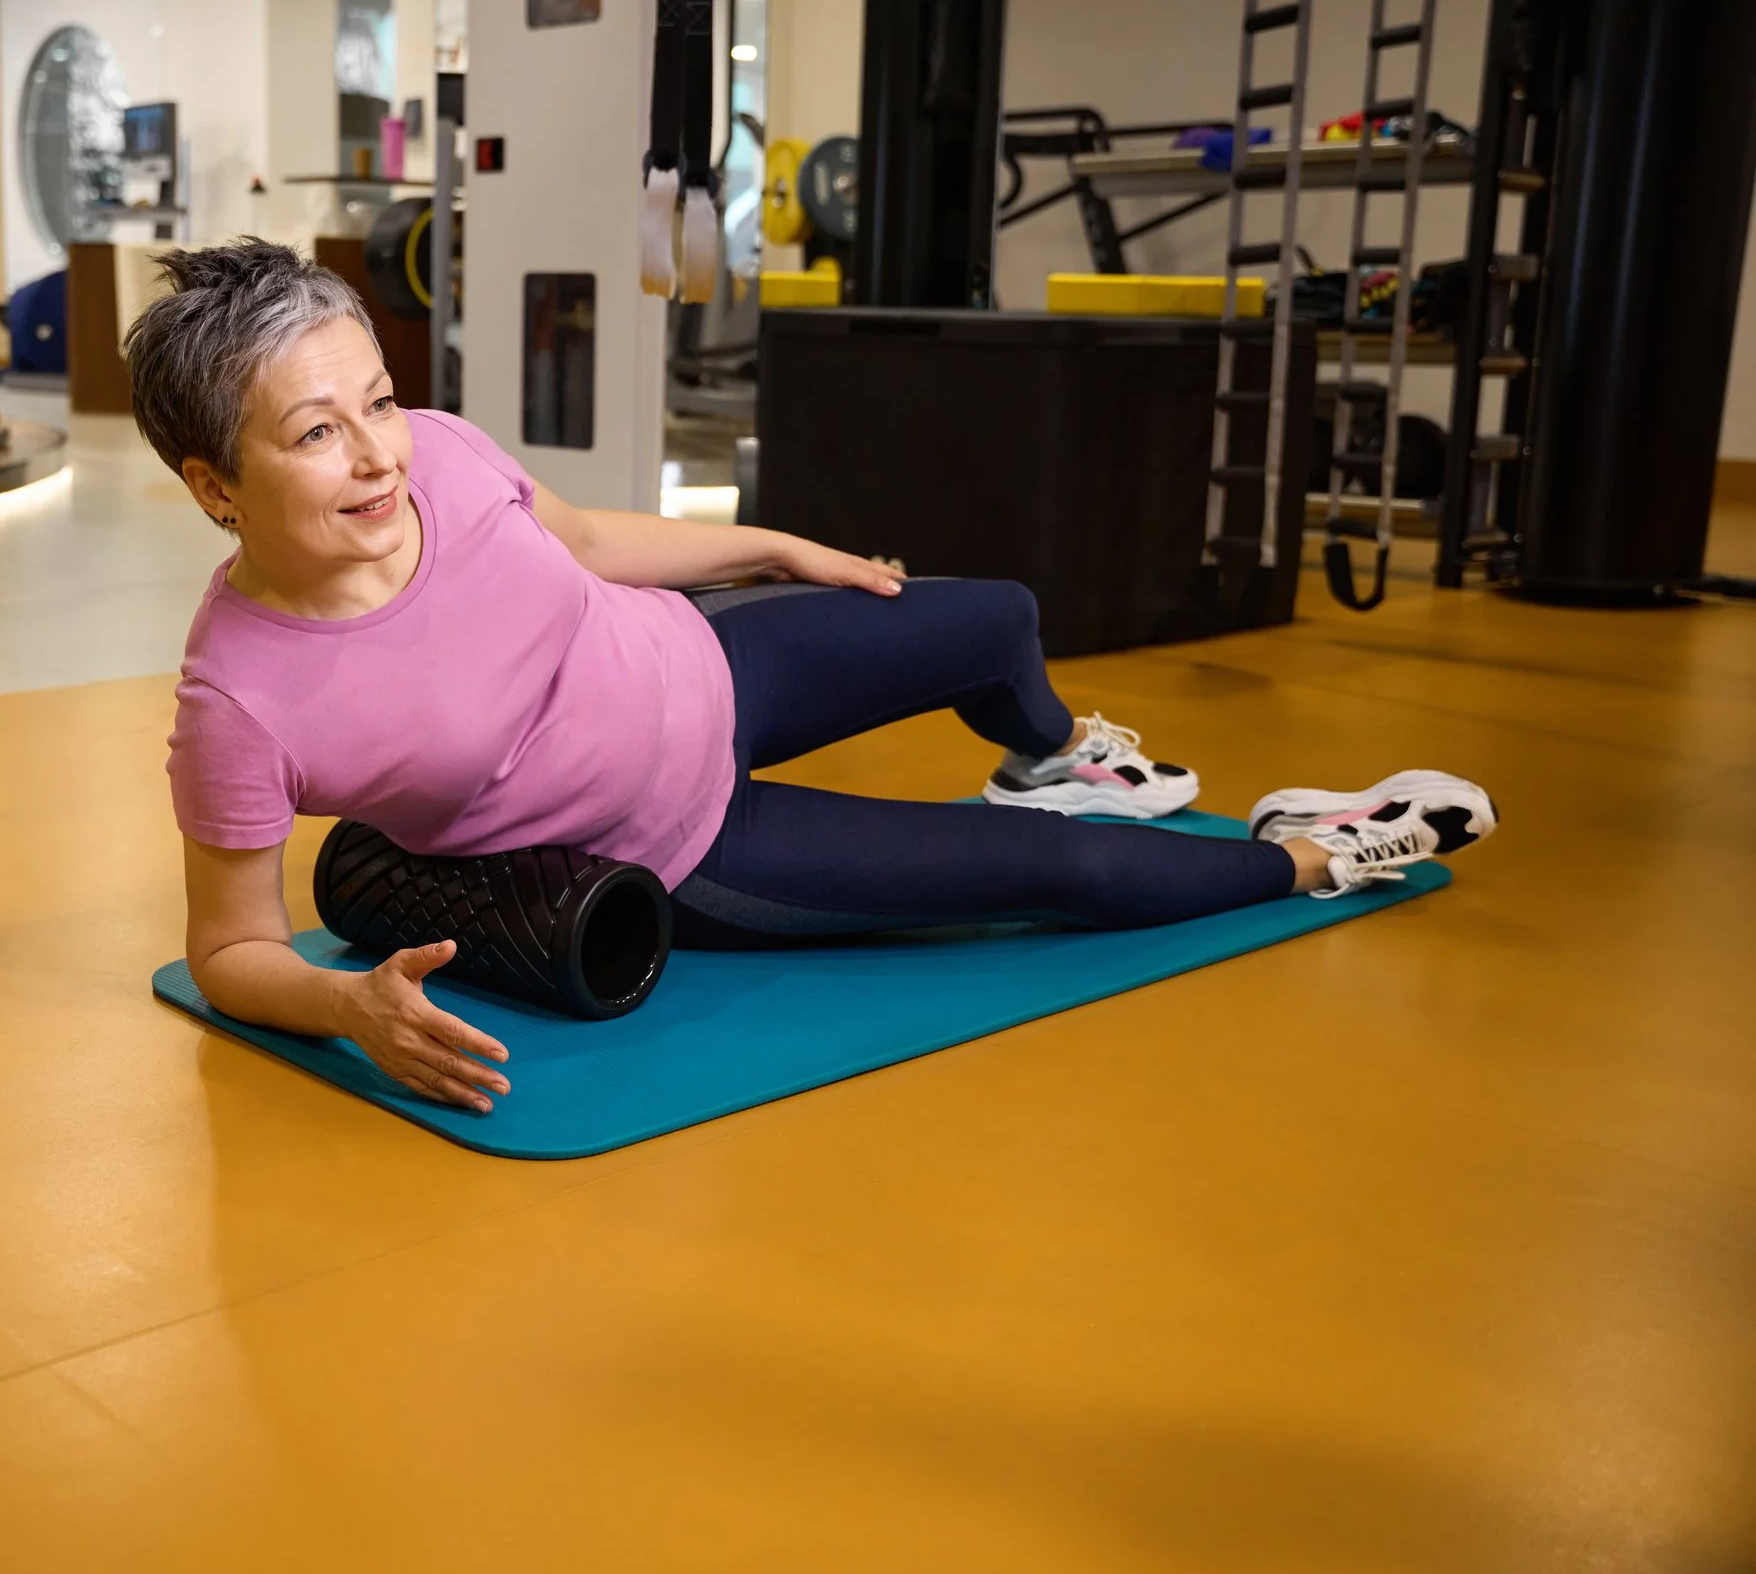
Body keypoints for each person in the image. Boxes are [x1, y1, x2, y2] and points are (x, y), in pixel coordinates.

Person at [132, 241, 1497, 1115]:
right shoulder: (243, 701)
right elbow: (232, 947)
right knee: (1057, 881)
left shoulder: (437, 447)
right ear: (214, 485)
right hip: (682, 843)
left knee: (989, 616)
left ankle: (1054, 759)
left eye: (377, 399)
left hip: (711, 661)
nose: (380, 453)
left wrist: (782, 544)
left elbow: (594, 541)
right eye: (320, 430)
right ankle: (1326, 850)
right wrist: (346, 1005)